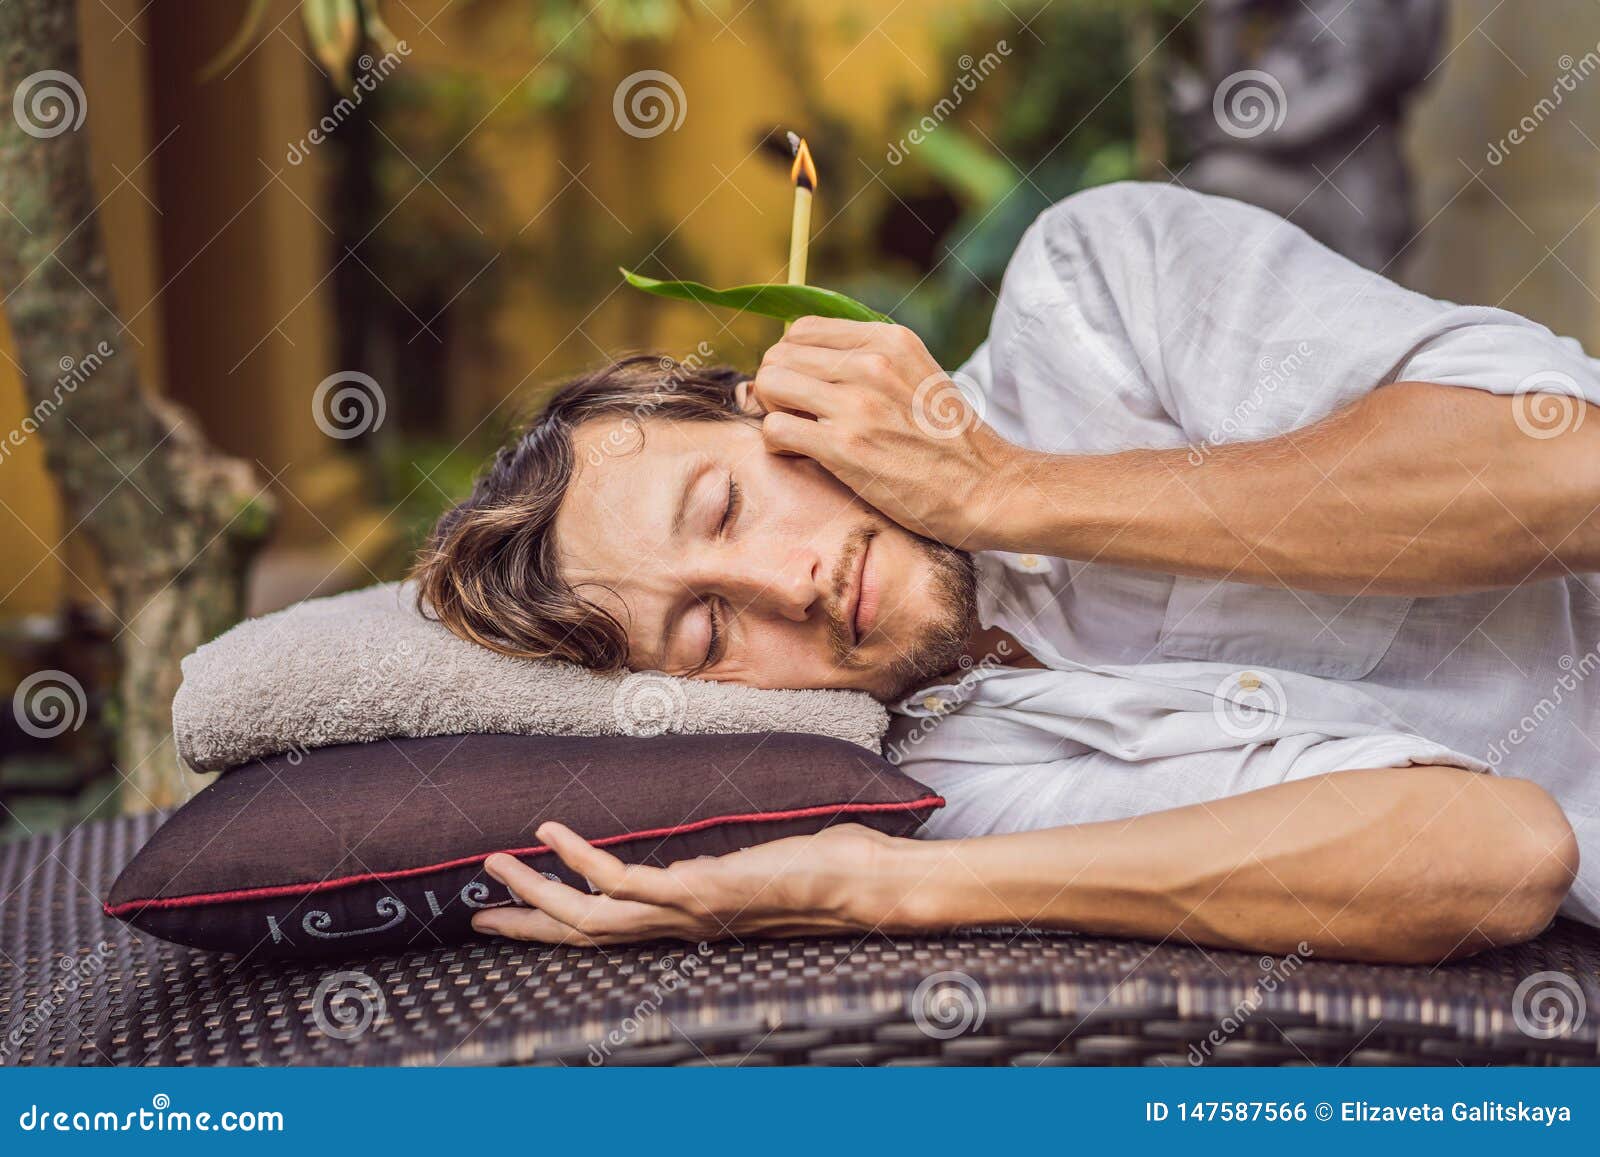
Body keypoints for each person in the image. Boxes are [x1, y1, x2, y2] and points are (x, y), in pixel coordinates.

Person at [413, 182, 1597, 963]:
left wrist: (999, 485)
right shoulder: (946, 776)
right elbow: (1495, 852)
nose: (792, 585)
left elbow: (1572, 476)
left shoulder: (1090, 294)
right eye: (709, 633)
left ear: (775, 403)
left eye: (728, 505)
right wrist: (887, 887)